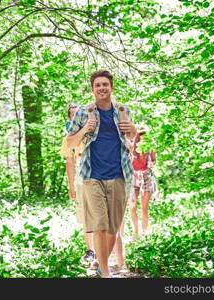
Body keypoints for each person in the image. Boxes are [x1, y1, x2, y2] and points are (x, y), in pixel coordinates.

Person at [67, 70, 136, 278]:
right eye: (97, 85)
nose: (102, 88)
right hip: (92, 175)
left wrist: (132, 129)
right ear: (92, 89)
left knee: (113, 229)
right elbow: (70, 142)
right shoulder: (83, 112)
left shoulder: (123, 110)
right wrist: (84, 129)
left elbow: (131, 139)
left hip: (119, 174)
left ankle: (100, 262)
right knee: (99, 225)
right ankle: (106, 274)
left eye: (105, 84)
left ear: (111, 87)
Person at [60, 104, 95, 263]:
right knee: (86, 214)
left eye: (77, 115)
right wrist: (71, 185)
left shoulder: (94, 132)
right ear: (69, 118)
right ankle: (90, 250)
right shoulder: (68, 139)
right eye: (72, 115)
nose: (75, 118)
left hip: (98, 175)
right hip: (81, 179)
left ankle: (106, 249)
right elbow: (70, 163)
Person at [129, 125, 157, 237]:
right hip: (133, 176)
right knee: (132, 205)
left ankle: (144, 233)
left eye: (145, 136)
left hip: (146, 176)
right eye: (140, 136)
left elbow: (154, 162)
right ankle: (136, 233)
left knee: (144, 207)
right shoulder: (131, 146)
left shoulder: (150, 146)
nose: (142, 139)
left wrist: (148, 156)